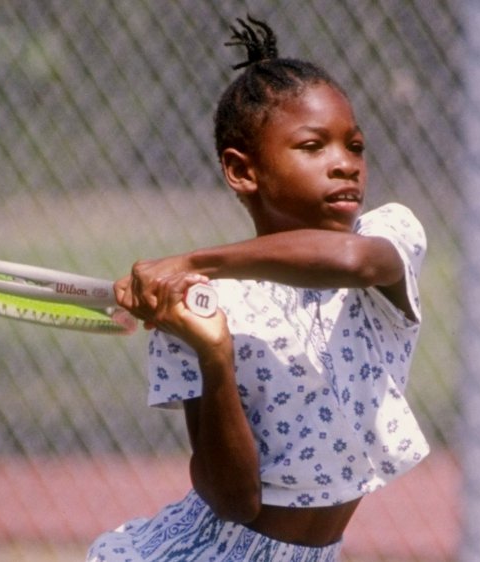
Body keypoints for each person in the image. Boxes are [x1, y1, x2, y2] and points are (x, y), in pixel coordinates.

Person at [87, 15, 429, 561]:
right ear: (242, 171)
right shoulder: (201, 307)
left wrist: (192, 260)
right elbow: (232, 500)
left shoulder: (387, 240)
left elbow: (347, 260)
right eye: (313, 146)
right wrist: (214, 353)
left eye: (355, 145)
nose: (345, 164)